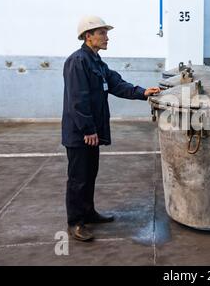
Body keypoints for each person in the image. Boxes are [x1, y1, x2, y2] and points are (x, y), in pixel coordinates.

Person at [62, 15, 160, 241]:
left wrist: (142, 92)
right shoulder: (77, 61)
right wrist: (88, 129)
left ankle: (89, 212)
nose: (107, 38)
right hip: (80, 135)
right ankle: (76, 222)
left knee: (90, 174)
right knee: (78, 178)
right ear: (89, 36)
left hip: (91, 132)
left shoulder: (97, 62)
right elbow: (78, 100)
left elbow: (116, 83)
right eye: (102, 33)